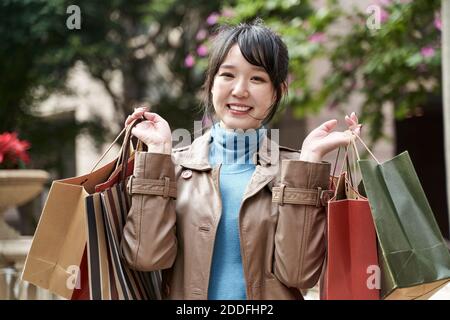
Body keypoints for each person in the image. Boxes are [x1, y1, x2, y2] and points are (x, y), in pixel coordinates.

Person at [121, 20, 361, 300]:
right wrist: (159, 153)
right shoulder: (173, 168)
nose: (240, 90)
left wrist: (308, 164)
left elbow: (299, 275)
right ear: (211, 84)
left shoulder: (295, 172)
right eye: (228, 75)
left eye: (257, 78)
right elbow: (145, 258)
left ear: (277, 92)